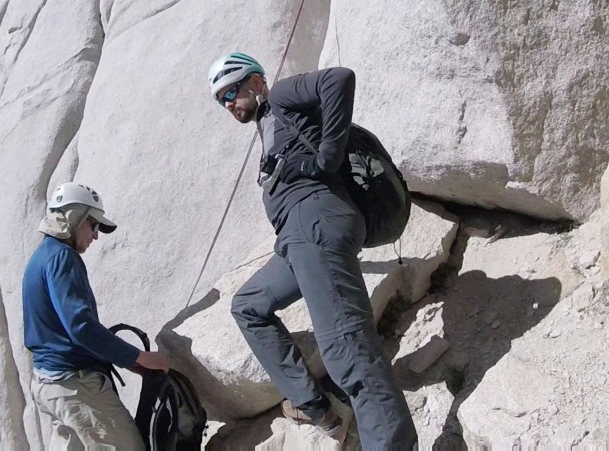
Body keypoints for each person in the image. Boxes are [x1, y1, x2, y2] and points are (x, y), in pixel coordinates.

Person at [209, 52, 418, 448]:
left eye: (231, 92)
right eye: (221, 100)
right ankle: (314, 406)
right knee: (249, 305)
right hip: (298, 239)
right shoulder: (268, 126)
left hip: (316, 223)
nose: (228, 104)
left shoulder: (282, 96)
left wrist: (327, 156)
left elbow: (339, 78)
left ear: (255, 82)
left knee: (348, 350)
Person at [23, 181, 171, 450]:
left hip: (50, 386)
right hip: (76, 386)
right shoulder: (63, 258)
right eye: (93, 225)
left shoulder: (42, 257)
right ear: (74, 217)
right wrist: (138, 357)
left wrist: (128, 363)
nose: (96, 235)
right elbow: (81, 327)